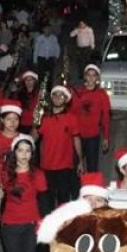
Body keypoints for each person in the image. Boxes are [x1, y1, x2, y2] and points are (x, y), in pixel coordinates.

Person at [35, 85, 83, 213]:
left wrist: (80, 161)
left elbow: (76, 139)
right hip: (47, 166)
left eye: (61, 95)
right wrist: (36, 122)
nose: (57, 97)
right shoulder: (44, 118)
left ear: (66, 99)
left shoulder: (71, 118)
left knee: (63, 199)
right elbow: (33, 138)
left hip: (65, 166)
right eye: (55, 94)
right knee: (48, 200)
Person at [72, 64, 111, 173]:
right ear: (85, 76)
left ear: (97, 78)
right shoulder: (78, 93)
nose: (91, 78)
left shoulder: (102, 95)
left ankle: (91, 188)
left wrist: (106, 137)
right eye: (89, 75)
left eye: (94, 76)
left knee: (92, 168)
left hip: (92, 136)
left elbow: (106, 117)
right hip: (78, 136)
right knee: (75, 166)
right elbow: (72, 113)